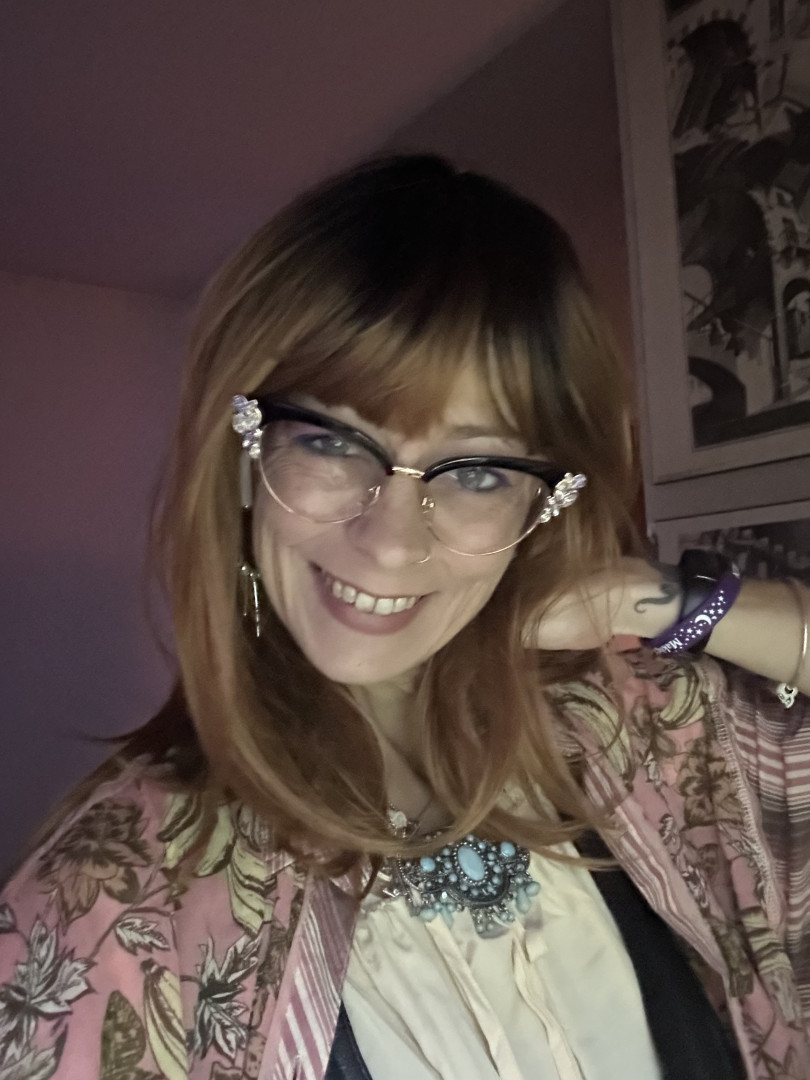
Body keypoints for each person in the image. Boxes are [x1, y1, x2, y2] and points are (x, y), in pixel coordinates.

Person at [1, 154, 809, 1080]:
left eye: (478, 472)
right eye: (332, 440)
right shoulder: (115, 902)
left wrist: (657, 599)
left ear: (542, 501)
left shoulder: (642, 735)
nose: (389, 542)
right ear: (244, 457)